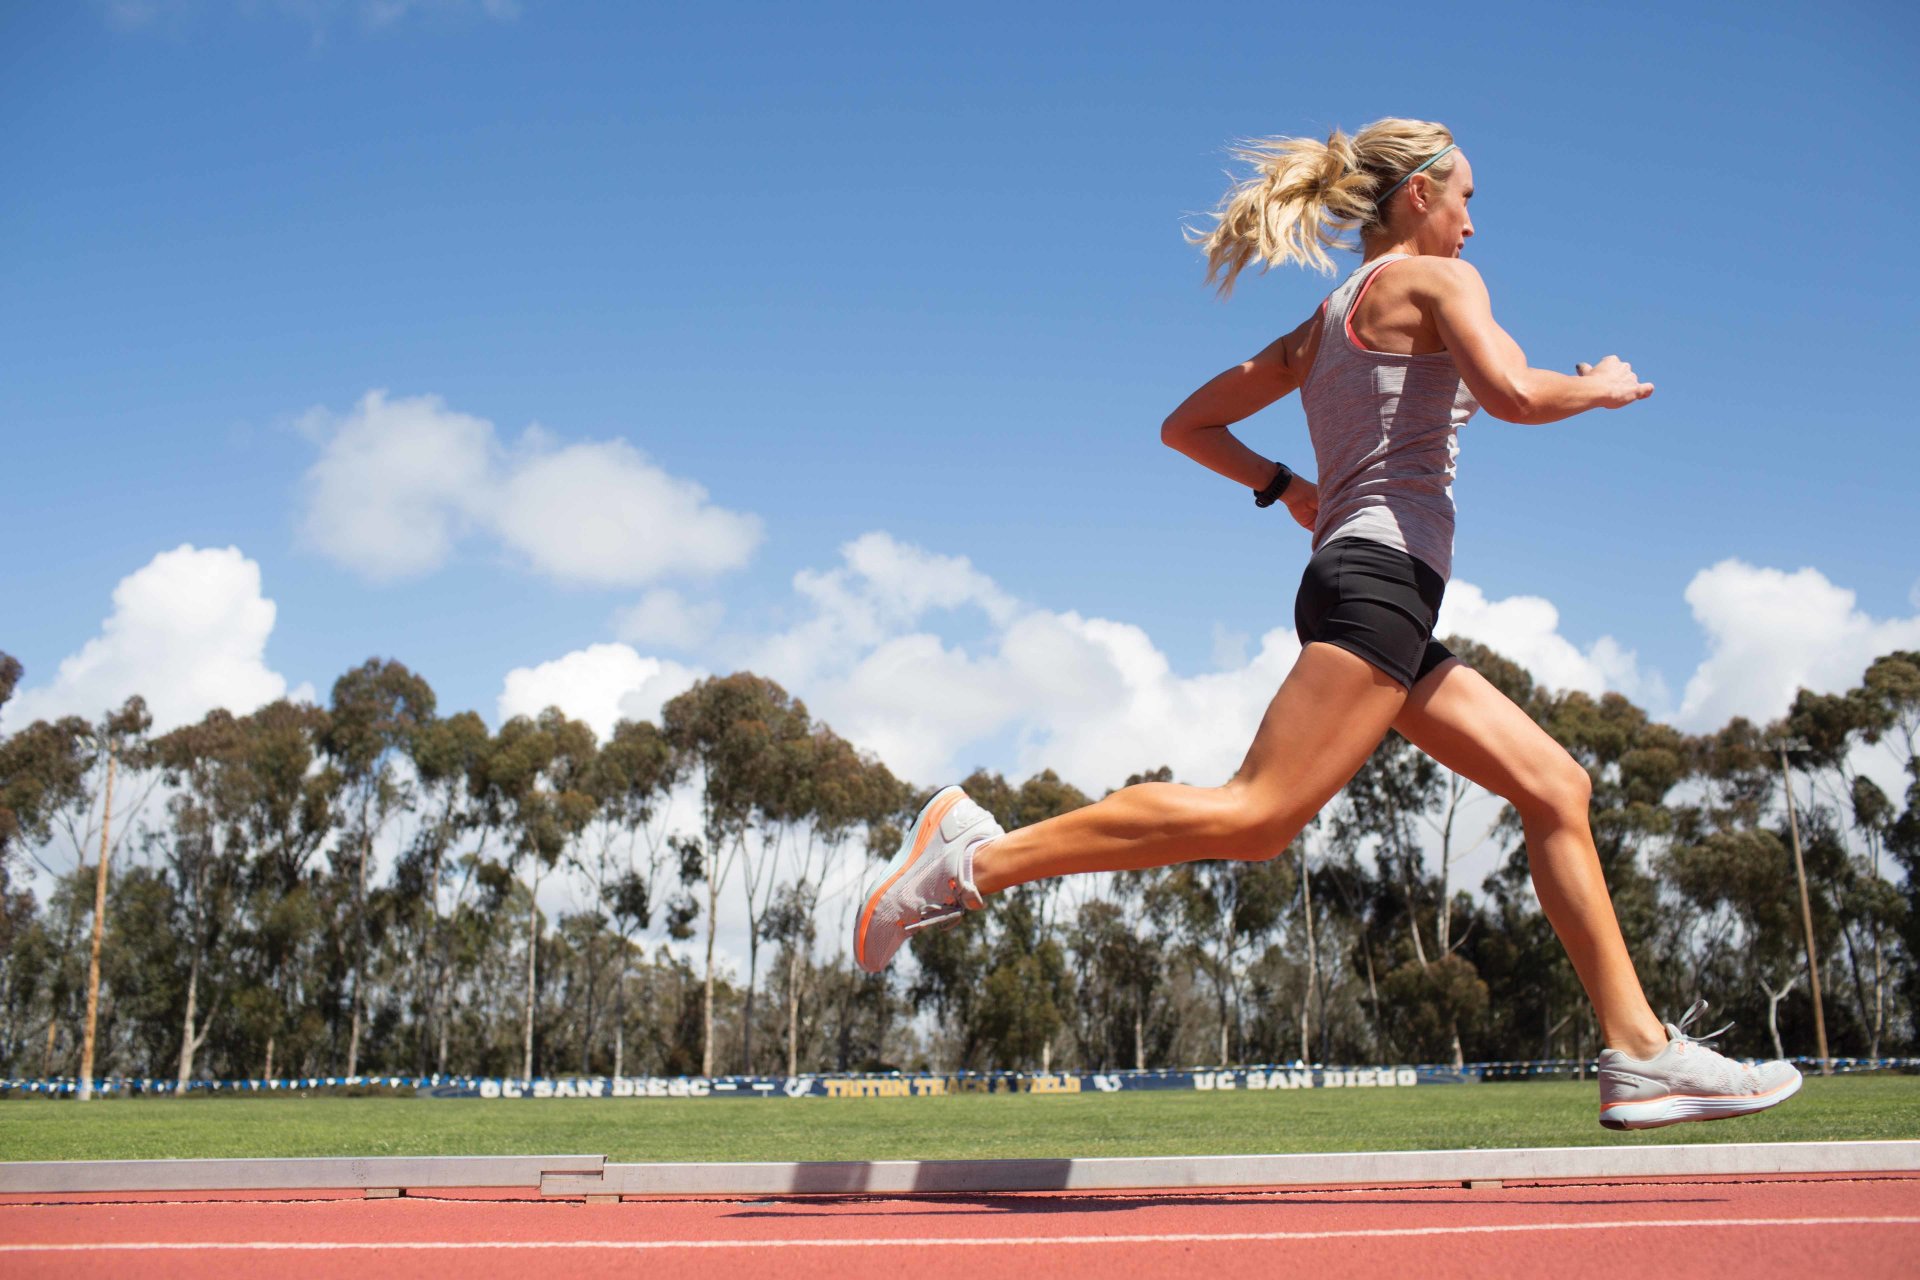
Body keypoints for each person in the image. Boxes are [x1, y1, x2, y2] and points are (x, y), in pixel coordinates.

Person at [853, 117, 1801, 1130]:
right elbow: (1515, 393)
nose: (1474, 225)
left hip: (1366, 583)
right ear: (1418, 197)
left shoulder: (1323, 323)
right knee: (1258, 815)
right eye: (1466, 199)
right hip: (1380, 583)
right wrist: (1602, 387)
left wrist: (1286, 487)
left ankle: (1642, 1049)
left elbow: (1187, 425)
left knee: (1555, 785)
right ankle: (967, 861)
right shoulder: (1438, 284)